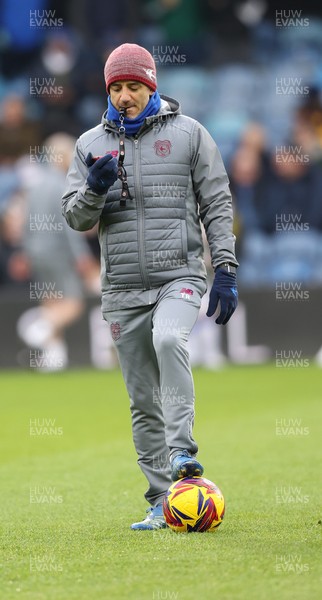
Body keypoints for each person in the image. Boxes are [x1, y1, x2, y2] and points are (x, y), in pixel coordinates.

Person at [62, 43, 238, 529]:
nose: (124, 96)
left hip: (177, 276)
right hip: (121, 290)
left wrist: (224, 268)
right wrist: (94, 189)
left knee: (170, 338)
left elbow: (217, 202)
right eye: (116, 88)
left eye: (133, 86)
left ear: (151, 85)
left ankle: (184, 453)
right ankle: (162, 501)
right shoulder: (88, 145)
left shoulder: (190, 135)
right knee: (142, 400)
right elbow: (74, 218)